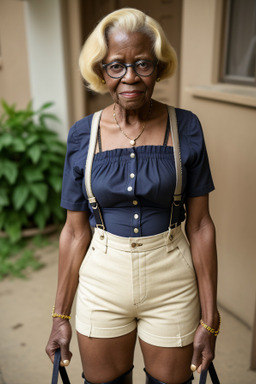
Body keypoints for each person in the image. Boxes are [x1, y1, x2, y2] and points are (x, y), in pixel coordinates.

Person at [46, 8, 220, 384]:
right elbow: (75, 232)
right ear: (101, 71)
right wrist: (60, 317)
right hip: (102, 279)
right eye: (115, 66)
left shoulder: (186, 126)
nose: (130, 77)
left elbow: (202, 224)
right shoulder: (82, 135)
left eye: (142, 64)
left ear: (158, 67)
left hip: (171, 279)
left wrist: (211, 317)